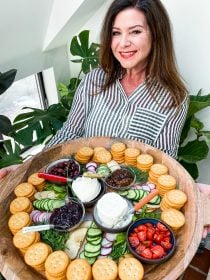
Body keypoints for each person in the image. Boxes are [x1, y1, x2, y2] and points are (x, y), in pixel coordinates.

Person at [0, 0, 209, 236]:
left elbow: (165, 162)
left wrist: (189, 194)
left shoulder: (174, 97)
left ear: (157, 35)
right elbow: (69, 133)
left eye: (135, 32)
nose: (123, 43)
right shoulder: (93, 81)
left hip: (128, 209)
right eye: (116, 33)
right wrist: (29, 168)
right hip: (79, 196)